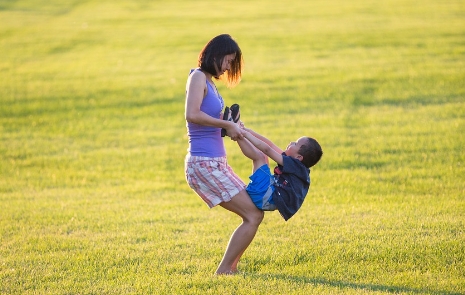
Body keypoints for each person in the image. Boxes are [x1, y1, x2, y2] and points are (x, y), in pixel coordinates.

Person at [184, 34, 264, 275]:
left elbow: (208, 121)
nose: (229, 67)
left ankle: (230, 268)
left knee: (254, 214)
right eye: (228, 61)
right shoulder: (197, 77)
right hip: (203, 163)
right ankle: (225, 269)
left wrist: (229, 125)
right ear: (215, 55)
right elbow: (192, 114)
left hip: (216, 162)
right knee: (253, 214)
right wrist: (227, 126)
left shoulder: (209, 82)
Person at [236, 123, 323, 221]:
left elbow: (267, 149)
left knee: (259, 157)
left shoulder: (295, 165)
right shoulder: (297, 165)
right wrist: (248, 131)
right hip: (267, 196)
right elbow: (271, 145)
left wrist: (244, 134)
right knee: (262, 157)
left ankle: (236, 134)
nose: (291, 142)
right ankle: (237, 132)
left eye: (295, 144)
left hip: (265, 196)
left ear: (299, 157)